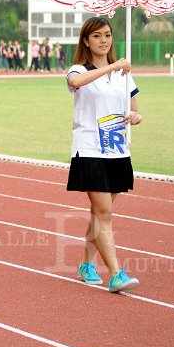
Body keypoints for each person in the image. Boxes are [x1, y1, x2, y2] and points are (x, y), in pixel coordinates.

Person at [66, 16, 143, 293]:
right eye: (97, 36)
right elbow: (78, 81)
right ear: (86, 40)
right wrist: (112, 65)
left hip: (117, 151)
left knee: (99, 213)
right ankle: (115, 274)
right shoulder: (78, 69)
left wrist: (135, 116)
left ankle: (86, 264)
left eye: (108, 35)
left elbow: (134, 108)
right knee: (104, 212)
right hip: (89, 149)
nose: (104, 40)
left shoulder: (124, 75)